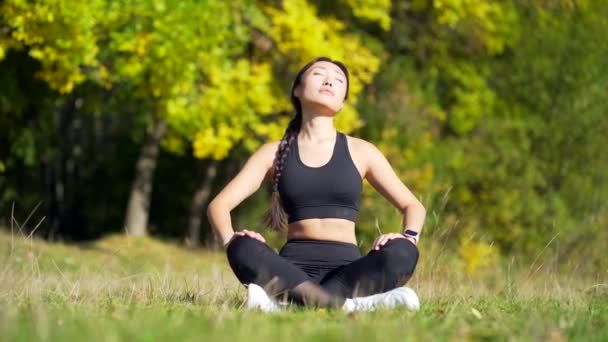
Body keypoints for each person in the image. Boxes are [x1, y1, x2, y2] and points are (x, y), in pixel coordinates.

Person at [207, 57, 426, 312]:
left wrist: (407, 236)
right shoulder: (273, 153)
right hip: (290, 271)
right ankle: (351, 306)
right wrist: (230, 241)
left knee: (402, 251)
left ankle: (288, 303)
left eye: (338, 78)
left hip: (349, 274)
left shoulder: (361, 151)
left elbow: (413, 205)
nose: (329, 79)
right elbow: (219, 205)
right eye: (319, 73)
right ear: (297, 90)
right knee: (243, 246)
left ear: (342, 101)